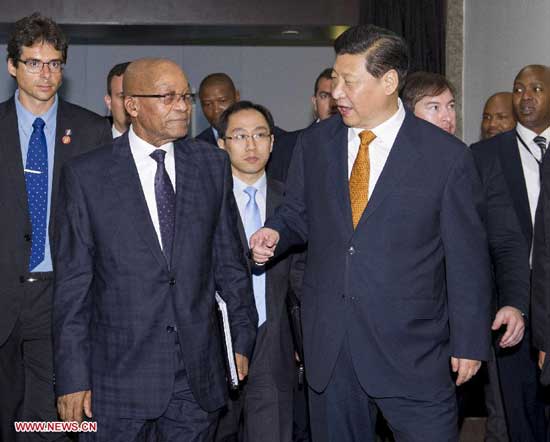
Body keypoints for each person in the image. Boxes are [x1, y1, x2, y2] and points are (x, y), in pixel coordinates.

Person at [250, 24, 491, 442]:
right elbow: (298, 213)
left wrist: (469, 341)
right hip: (332, 349)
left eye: (349, 81)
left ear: (389, 81)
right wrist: (276, 231)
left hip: (414, 351)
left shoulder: (446, 157)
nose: (337, 91)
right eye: (335, 78)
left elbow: (467, 258)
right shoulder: (316, 143)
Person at [53, 58, 258, 442]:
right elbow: (73, 287)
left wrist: (241, 339)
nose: (182, 106)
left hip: (195, 377)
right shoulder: (87, 176)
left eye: (185, 96)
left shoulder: (211, 165)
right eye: (168, 97)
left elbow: (229, 261)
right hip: (116, 382)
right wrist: (72, 377)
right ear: (132, 105)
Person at [0, 13, 111, 442]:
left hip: (61, 296)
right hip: (5, 291)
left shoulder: (91, 131)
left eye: (54, 63)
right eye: (33, 63)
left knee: (48, 421)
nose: (45, 74)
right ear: (13, 66)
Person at [214, 100, 303, 442]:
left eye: (260, 135)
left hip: (275, 339)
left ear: (272, 141)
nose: (251, 145)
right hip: (218, 341)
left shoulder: (292, 203)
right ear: (222, 144)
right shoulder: (207, 200)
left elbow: (302, 277)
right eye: (239, 136)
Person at [472, 64, 550, 442]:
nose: (526, 96)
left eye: (536, 88)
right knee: (519, 411)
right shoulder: (484, 155)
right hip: (512, 304)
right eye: (519, 89)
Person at [196, 73, 240, 145]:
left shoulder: (257, 137)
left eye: (222, 101)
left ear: (237, 97)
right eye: (208, 104)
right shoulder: (196, 146)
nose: (216, 110)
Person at [104, 61, 130, 138]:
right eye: (122, 97)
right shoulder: (93, 146)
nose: (130, 103)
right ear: (109, 102)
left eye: (136, 96)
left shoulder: (164, 146)